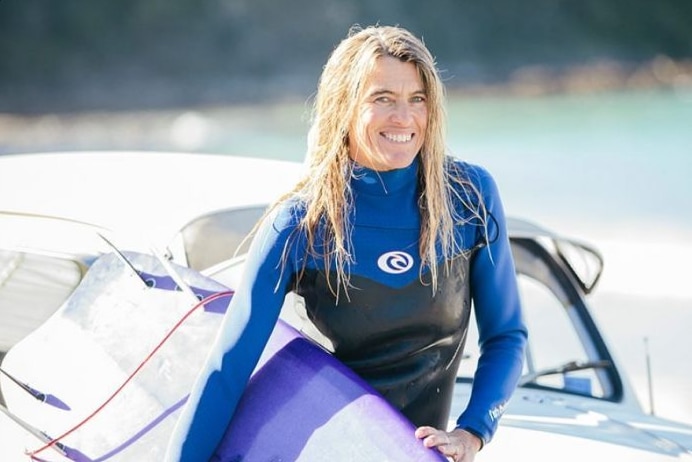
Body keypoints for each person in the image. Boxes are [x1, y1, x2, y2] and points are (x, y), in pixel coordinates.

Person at [166, 25, 527, 462]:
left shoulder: (468, 198)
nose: (404, 117)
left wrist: (472, 433)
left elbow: (506, 336)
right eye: (382, 99)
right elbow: (228, 370)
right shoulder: (300, 226)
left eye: (417, 99)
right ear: (345, 106)